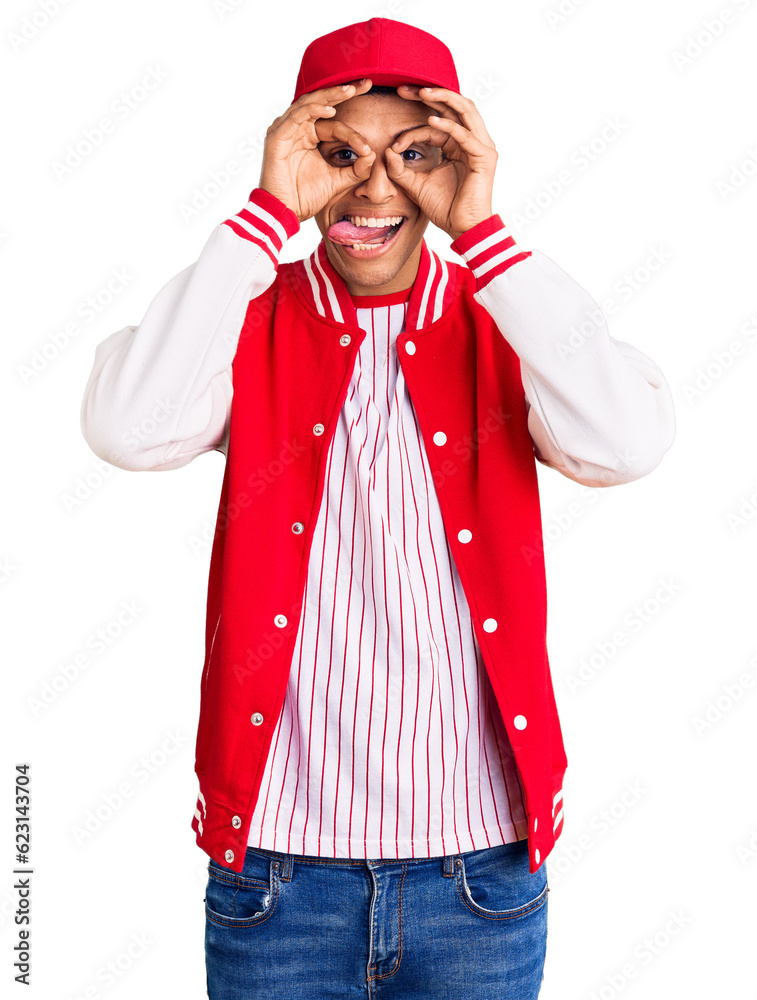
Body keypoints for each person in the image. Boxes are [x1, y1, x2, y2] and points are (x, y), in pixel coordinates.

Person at [80, 16, 675, 999]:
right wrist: (262, 214)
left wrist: (483, 233)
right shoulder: (249, 320)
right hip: (277, 869)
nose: (371, 187)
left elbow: (627, 442)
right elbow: (127, 426)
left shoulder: (504, 319)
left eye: (413, 155)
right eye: (337, 152)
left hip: (477, 871)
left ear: (453, 163)